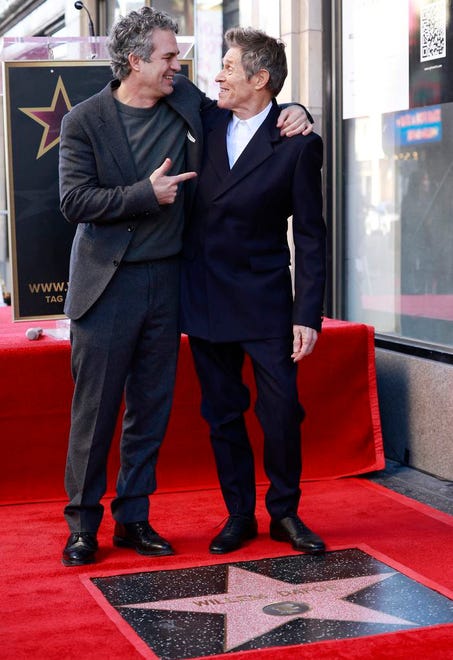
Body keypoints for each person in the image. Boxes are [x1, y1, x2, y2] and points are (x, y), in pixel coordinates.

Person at [58, 6, 313, 567]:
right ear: (135, 61)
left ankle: (133, 519)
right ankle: (82, 526)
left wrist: (294, 109)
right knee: (95, 412)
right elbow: (74, 202)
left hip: (169, 282)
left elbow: (253, 111)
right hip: (106, 285)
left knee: (149, 411)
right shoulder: (84, 121)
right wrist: (144, 195)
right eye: (171, 56)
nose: (182, 65)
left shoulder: (187, 105)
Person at [181, 27, 327, 555]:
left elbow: (311, 234)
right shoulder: (203, 117)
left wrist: (307, 313)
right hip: (204, 296)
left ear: (259, 79)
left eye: (228, 66)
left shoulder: (298, 143)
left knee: (282, 410)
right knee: (222, 412)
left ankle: (285, 513)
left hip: (266, 300)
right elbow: (154, 79)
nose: (217, 75)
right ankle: (238, 513)